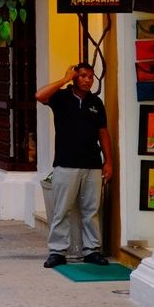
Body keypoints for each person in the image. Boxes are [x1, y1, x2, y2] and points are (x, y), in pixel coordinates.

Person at [35, 62, 113, 268]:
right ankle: (57, 251)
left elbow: (103, 133)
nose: (87, 80)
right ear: (75, 77)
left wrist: (109, 162)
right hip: (66, 164)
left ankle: (92, 250)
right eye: (83, 76)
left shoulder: (96, 103)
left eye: (91, 77)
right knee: (62, 210)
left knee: (91, 210)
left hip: (92, 164)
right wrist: (64, 79)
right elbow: (39, 96)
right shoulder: (61, 98)